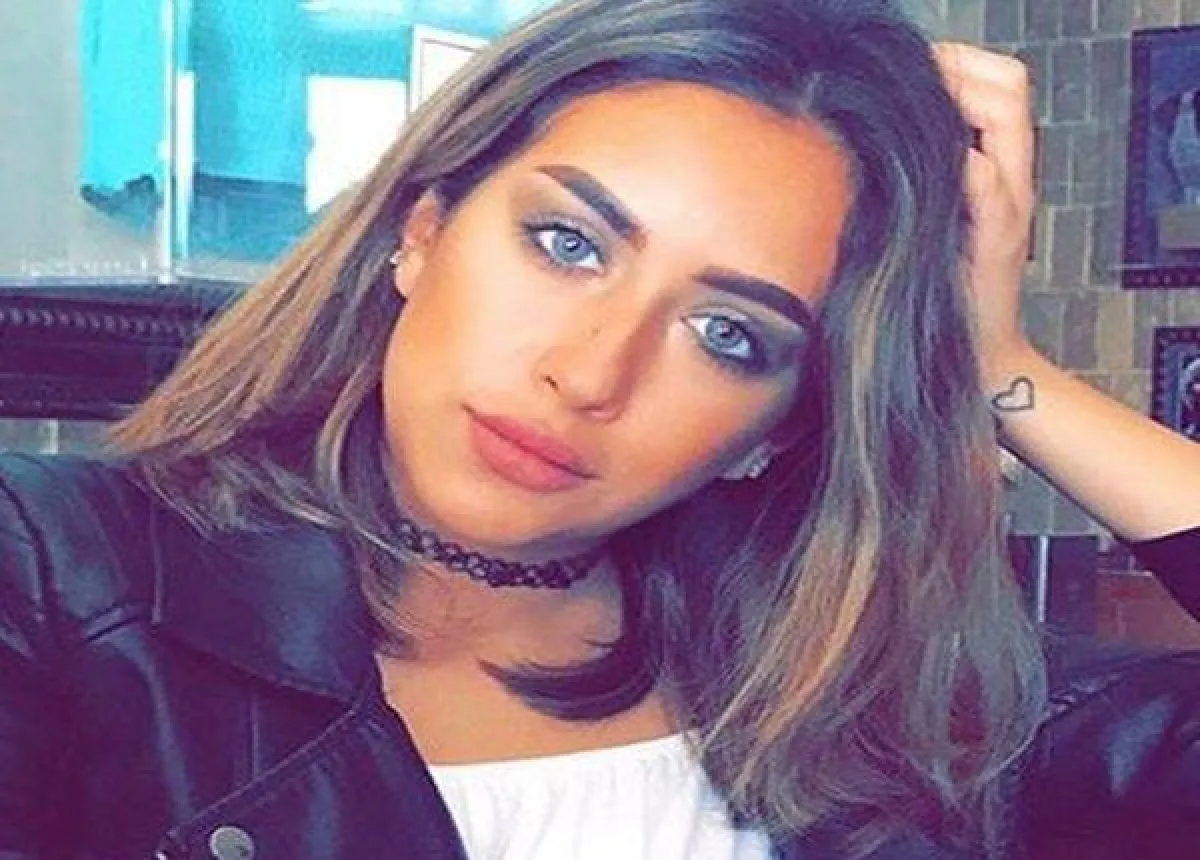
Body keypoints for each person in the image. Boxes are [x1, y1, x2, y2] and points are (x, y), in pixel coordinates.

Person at [0, 3, 1197, 860]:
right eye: (567, 243)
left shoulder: (898, 708)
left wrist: (999, 368)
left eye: (728, 334)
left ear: (776, 430)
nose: (587, 373)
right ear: (421, 230)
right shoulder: (53, 576)